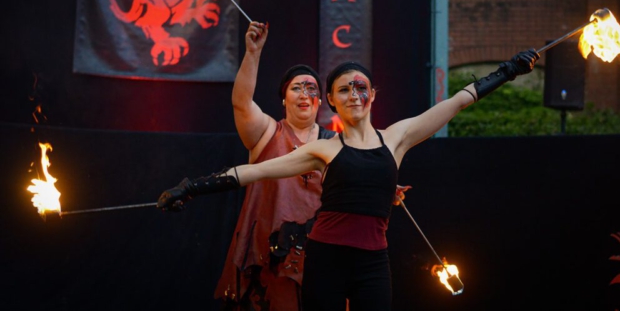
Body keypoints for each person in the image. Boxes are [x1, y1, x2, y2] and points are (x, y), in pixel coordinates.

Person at [158, 48, 539, 311]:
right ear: (332, 100)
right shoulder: (323, 150)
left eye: (361, 88)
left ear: (373, 95)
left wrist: (508, 71)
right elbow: (252, 172)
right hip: (326, 259)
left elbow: (457, 101)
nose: (354, 94)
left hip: (373, 262)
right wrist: (191, 187)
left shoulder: (397, 137)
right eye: (345, 89)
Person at [214, 21, 336, 310]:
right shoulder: (268, 132)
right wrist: (253, 53)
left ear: (320, 102)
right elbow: (242, 104)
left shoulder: (335, 145)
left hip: (317, 255)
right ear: (284, 98)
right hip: (266, 258)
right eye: (296, 88)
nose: (305, 94)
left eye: (311, 89)